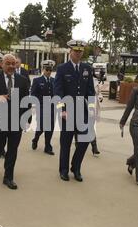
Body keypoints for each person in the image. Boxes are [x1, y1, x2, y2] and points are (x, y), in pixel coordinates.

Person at [0, 54, 31, 190]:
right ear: (2, 64)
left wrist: (27, 119)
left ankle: (8, 177)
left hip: (16, 121)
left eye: (13, 63)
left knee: (12, 150)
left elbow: (26, 100)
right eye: (8, 63)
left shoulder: (22, 80)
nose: (11, 66)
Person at [54, 39, 96, 182]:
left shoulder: (87, 68)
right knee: (66, 142)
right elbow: (57, 91)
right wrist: (61, 110)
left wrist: (91, 108)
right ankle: (63, 170)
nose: (78, 53)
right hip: (67, 113)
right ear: (70, 52)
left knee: (84, 140)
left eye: (80, 51)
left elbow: (90, 91)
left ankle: (76, 167)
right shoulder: (62, 69)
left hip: (82, 112)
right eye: (75, 51)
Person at [31, 60, 56, 156]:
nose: (49, 71)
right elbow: (33, 94)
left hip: (52, 108)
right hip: (41, 107)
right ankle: (35, 139)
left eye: (50, 70)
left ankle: (47, 147)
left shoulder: (54, 81)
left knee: (50, 128)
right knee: (41, 126)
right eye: (47, 69)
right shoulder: (37, 80)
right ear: (43, 69)